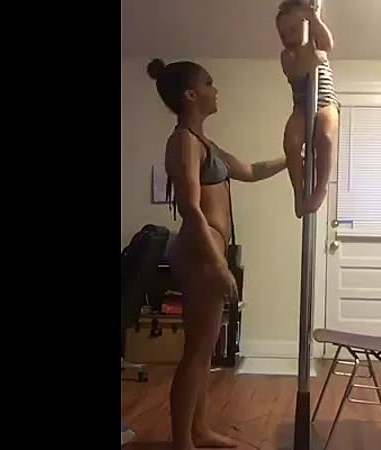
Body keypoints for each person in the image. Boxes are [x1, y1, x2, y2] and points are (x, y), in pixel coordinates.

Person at [146, 58, 287, 450]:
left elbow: (251, 170)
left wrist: (292, 159)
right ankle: (182, 441)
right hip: (200, 251)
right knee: (196, 351)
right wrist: (218, 265)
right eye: (209, 83)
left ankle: (200, 429)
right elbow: (191, 209)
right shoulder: (184, 141)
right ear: (191, 94)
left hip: (207, 250)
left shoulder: (205, 142)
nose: (216, 89)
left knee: (205, 349)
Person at [276, 0, 339, 218]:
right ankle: (299, 191)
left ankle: (321, 187)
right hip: (301, 106)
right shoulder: (287, 56)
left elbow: (328, 44)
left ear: (305, 27)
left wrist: (314, 18)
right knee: (291, 142)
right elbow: (297, 72)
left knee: (325, 137)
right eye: (282, 34)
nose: (287, 37)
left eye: (293, 30)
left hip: (326, 102)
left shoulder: (317, 45)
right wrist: (310, 56)